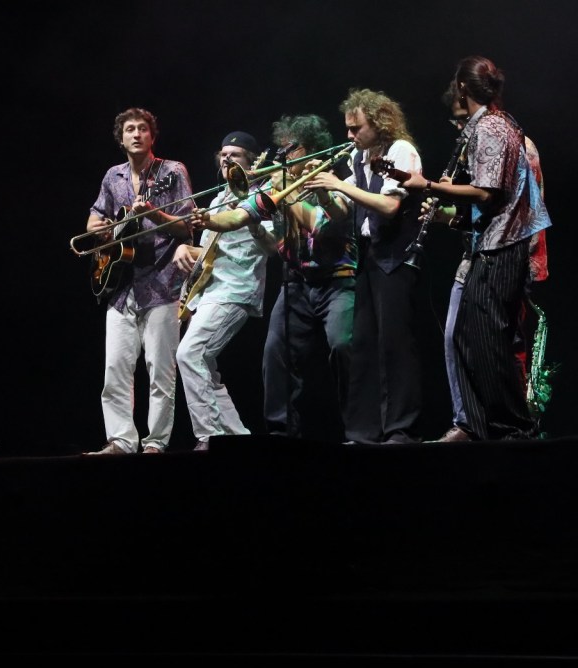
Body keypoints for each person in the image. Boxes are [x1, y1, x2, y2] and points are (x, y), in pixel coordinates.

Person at [400, 56, 551, 441]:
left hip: (505, 245)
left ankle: (514, 428)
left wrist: (428, 186)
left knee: (489, 341)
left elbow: (487, 193)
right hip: (493, 241)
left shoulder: (493, 127)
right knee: (469, 337)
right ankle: (479, 426)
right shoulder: (489, 126)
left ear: (463, 88)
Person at [188, 116, 355, 442]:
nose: (282, 155)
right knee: (274, 356)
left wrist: (282, 190)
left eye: (290, 149)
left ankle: (359, 429)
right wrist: (207, 219)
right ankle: (281, 434)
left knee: (342, 348)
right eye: (281, 148)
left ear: (308, 150)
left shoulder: (333, 183)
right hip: (296, 282)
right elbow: (237, 215)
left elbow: (319, 227)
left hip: (337, 279)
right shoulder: (277, 186)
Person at [304, 89, 426, 444]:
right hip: (370, 257)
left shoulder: (400, 151)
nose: (349, 135)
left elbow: (388, 207)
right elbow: (346, 210)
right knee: (365, 347)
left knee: (395, 345)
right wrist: (325, 189)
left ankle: (401, 428)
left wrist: (338, 183)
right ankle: (364, 431)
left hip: (398, 256)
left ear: (379, 122)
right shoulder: (360, 156)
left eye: (356, 128)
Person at [84, 107, 195, 455]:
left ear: (152, 136)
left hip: (162, 282)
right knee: (115, 369)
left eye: (142, 129)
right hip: (120, 287)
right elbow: (93, 221)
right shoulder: (113, 176)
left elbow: (188, 225)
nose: (136, 134)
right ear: (121, 138)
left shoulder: (172, 172)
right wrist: (101, 231)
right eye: (129, 129)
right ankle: (120, 440)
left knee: (160, 370)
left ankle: (156, 442)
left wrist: (155, 214)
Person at [172, 131, 273, 451]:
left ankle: (208, 435)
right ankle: (236, 436)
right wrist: (184, 250)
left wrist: (253, 219)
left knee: (190, 354)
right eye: (223, 153)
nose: (227, 158)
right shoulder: (218, 199)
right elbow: (207, 254)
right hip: (211, 290)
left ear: (252, 162)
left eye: (236, 155)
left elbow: (272, 246)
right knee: (206, 368)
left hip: (237, 288)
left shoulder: (265, 194)